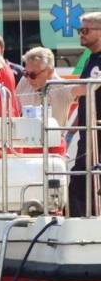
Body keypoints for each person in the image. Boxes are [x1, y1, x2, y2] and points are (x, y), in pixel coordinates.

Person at [69, 12, 101, 217]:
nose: (81, 34)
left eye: (86, 30)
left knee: (81, 181)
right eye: (80, 30)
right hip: (87, 134)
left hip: (97, 133)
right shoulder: (92, 58)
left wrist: (73, 90)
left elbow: (85, 88)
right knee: (80, 181)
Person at [15, 47, 76, 127]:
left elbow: (83, 88)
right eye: (26, 73)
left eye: (33, 75)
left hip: (54, 137)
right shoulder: (24, 81)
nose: (29, 79)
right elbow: (14, 110)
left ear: (49, 72)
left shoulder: (62, 87)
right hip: (28, 137)